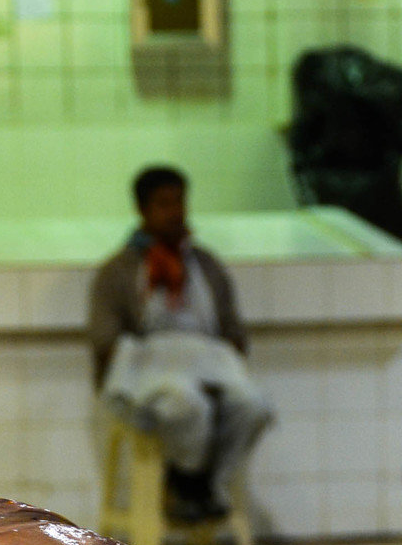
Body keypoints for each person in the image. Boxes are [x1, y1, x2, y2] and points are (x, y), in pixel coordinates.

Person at [88, 166, 273, 523]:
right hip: (147, 378)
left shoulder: (207, 266)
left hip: (210, 371)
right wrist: (165, 362)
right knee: (184, 403)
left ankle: (200, 486)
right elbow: (104, 342)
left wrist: (210, 366)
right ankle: (189, 482)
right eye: (163, 204)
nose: (175, 213)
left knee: (253, 407)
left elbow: (235, 333)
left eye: (180, 203)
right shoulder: (118, 271)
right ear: (141, 210)